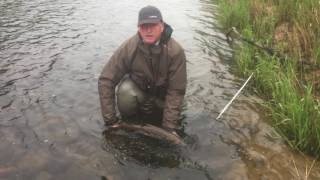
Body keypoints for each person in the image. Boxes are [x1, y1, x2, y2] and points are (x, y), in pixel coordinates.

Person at [98, 5, 187, 136]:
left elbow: (176, 91)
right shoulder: (129, 47)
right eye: (144, 26)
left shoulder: (175, 51)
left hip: (164, 99)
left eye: (153, 25)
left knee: (177, 113)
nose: (148, 30)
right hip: (142, 95)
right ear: (138, 28)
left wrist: (169, 129)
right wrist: (111, 121)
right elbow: (106, 80)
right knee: (125, 90)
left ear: (161, 26)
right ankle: (130, 123)